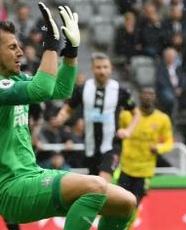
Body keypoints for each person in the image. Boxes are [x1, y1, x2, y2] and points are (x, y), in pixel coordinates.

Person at [0, 5, 136, 230]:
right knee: (94, 187)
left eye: (20, 45)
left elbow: (58, 88)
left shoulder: (14, 82)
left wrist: (71, 51)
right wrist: (51, 43)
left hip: (31, 177)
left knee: (126, 202)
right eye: (11, 46)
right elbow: (42, 87)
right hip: (10, 190)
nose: (20, 51)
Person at [55, 53, 140, 182]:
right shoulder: (82, 89)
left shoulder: (120, 90)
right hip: (90, 146)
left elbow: (136, 113)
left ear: (111, 68)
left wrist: (128, 130)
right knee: (94, 186)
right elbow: (68, 108)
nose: (102, 71)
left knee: (102, 181)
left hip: (112, 145)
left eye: (105, 67)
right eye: (98, 67)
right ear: (92, 68)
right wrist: (62, 116)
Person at [114, 87, 173, 230]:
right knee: (119, 204)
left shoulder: (162, 119)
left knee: (134, 206)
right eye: (144, 94)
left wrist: (159, 148)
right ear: (139, 97)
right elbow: (118, 132)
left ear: (154, 97)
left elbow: (169, 142)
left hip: (145, 170)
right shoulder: (127, 116)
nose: (147, 97)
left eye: (150, 95)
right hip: (126, 167)